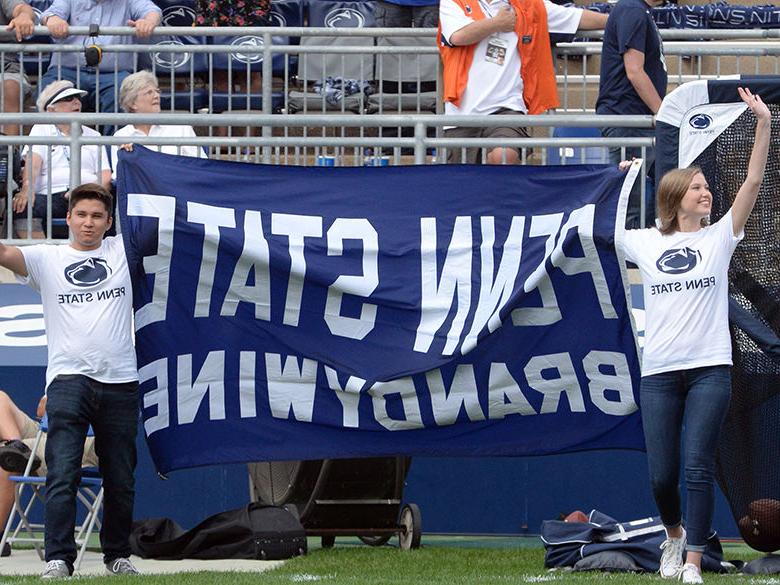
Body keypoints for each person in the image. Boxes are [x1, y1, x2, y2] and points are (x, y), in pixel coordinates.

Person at [620, 87, 770, 585]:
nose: (707, 193)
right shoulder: (645, 242)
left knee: (698, 466)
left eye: (707, 188)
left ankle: (692, 564)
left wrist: (765, 124)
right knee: (662, 477)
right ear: (674, 198)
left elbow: (751, 180)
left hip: (711, 368)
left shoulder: (721, 235)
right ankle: (675, 534)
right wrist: (617, 184)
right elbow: (598, 222)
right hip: (659, 372)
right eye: (698, 188)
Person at [0, 183, 140, 578]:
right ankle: (58, 558)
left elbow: (159, 218)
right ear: (68, 219)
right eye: (81, 215)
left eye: (97, 216)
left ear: (109, 222)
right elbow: (5, 253)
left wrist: (135, 162)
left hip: (120, 380)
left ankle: (117, 555)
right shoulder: (48, 259)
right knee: (62, 472)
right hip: (67, 380)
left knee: (121, 477)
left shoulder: (122, 251)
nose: (88, 222)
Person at [438, 0, 607, 164]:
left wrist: (617, 20)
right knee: (463, 184)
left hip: (507, 108)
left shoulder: (529, 5)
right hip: (461, 113)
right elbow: (458, 36)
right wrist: (497, 24)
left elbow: (575, 17)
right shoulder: (453, 2)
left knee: (503, 156)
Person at [0, 391, 97, 558]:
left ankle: (13, 451)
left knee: (4, 459)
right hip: (47, 432)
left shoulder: (112, 377)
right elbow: (42, 409)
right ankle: (15, 447)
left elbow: (55, 407)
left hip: (79, 440)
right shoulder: (68, 368)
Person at [597, 0, 667, 229]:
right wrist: (664, 113)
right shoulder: (633, 9)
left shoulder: (637, 10)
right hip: (627, 117)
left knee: (660, 191)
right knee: (630, 203)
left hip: (634, 117)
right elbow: (635, 71)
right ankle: (627, 262)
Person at [11, 80, 111, 239]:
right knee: (21, 207)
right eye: (68, 99)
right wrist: (26, 189)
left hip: (89, 194)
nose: (77, 102)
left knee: (108, 206)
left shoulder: (94, 135)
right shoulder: (41, 129)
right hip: (53, 194)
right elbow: (33, 165)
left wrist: (89, 192)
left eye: (77, 97)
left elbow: (105, 175)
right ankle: (44, 257)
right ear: (51, 109)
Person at [39, 0, 161, 124]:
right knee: (49, 93)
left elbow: (152, 11)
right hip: (67, 71)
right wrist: (52, 19)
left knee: (125, 94)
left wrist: (148, 22)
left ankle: (115, 143)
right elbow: (51, 14)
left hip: (114, 75)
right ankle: (53, 143)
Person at [111, 70, 207, 179]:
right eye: (149, 92)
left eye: (157, 91)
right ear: (132, 103)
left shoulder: (180, 128)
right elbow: (119, 178)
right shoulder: (121, 136)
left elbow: (201, 166)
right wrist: (127, 160)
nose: (157, 96)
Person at [0, 0, 35, 136]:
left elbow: (22, 8)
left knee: (11, 87)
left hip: (6, 64)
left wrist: (24, 16)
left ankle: (8, 154)